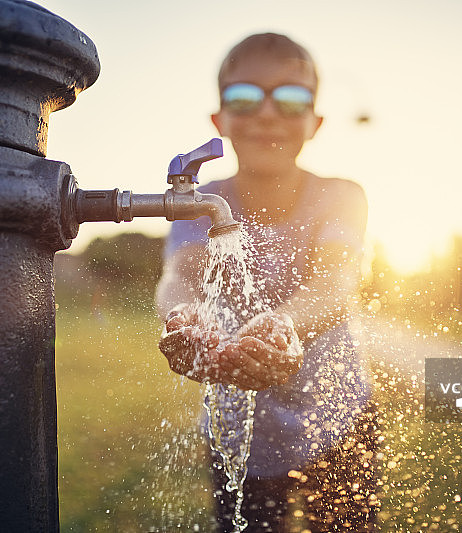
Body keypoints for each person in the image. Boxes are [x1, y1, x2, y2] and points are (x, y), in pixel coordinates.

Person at [155, 33, 378, 532]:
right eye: (244, 97)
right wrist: (185, 319)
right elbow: (178, 279)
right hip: (238, 429)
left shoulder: (340, 196)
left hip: (339, 419)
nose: (268, 113)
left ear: (315, 122)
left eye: (292, 98)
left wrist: (283, 325)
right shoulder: (198, 202)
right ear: (220, 120)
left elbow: (334, 284)